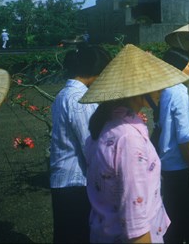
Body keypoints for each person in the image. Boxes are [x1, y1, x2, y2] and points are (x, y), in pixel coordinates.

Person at [82, 44, 189, 243]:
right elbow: (135, 223)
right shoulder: (129, 140)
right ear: (138, 89)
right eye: (155, 83)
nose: (161, 88)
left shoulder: (108, 124)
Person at [49, 45, 111, 243]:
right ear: (96, 72)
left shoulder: (65, 93)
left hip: (64, 179)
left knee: (66, 233)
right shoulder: (79, 99)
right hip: (75, 182)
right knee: (77, 234)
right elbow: (90, 145)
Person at [157, 48, 189, 243]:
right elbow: (184, 138)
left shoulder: (165, 90)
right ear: (178, 68)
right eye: (188, 66)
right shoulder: (179, 93)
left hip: (167, 164)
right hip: (179, 166)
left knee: (175, 220)